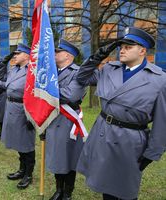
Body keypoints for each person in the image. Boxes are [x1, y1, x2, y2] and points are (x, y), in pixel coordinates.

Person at [76, 27, 166, 200]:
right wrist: (98, 55)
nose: (122, 50)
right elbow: (82, 77)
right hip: (103, 133)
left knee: (126, 189)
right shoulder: (110, 69)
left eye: (128, 46)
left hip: (130, 140)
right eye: (121, 46)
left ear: (142, 50)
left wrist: (152, 152)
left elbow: (162, 121)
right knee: (105, 185)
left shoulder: (159, 80)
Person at [45, 39, 86, 200]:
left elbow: (71, 95)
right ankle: (59, 189)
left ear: (68, 55)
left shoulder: (78, 72)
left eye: (58, 51)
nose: (54, 54)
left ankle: (67, 192)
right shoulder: (52, 71)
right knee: (56, 156)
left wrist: (45, 92)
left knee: (69, 157)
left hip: (68, 119)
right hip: (53, 117)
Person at [0, 43, 36, 190]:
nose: (15, 56)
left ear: (27, 55)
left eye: (17, 53)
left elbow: (35, 94)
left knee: (26, 143)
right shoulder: (14, 69)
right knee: (18, 142)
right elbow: (1, 76)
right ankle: (21, 169)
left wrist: (31, 116)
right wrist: (4, 60)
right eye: (14, 54)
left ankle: (28, 174)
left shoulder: (32, 70)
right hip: (11, 107)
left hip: (24, 109)